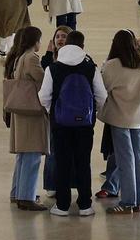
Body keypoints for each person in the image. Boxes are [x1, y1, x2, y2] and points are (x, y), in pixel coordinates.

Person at [39, 30, 107, 217]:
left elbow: (44, 96)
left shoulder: (53, 68)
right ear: (82, 47)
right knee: (83, 162)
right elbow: (102, 95)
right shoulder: (91, 68)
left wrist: (53, 111)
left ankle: (62, 205)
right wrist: (92, 111)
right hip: (85, 124)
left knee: (62, 162)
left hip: (60, 124)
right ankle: (85, 205)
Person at [99, 30, 140, 215]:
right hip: (139, 117)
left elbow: (103, 88)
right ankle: (137, 201)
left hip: (119, 117)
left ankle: (127, 202)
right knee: (139, 158)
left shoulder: (112, 65)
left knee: (125, 160)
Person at [5, 27, 49, 211]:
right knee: (32, 155)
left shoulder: (19, 57)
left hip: (22, 111)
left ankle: (18, 192)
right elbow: (43, 79)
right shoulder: (31, 58)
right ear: (35, 41)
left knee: (23, 156)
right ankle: (26, 197)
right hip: (31, 113)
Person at [41, 25, 72, 198]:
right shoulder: (50, 61)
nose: (60, 39)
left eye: (64, 36)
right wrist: (47, 54)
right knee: (53, 148)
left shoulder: (77, 60)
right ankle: (52, 184)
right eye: (58, 36)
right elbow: (42, 75)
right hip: (55, 111)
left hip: (69, 110)